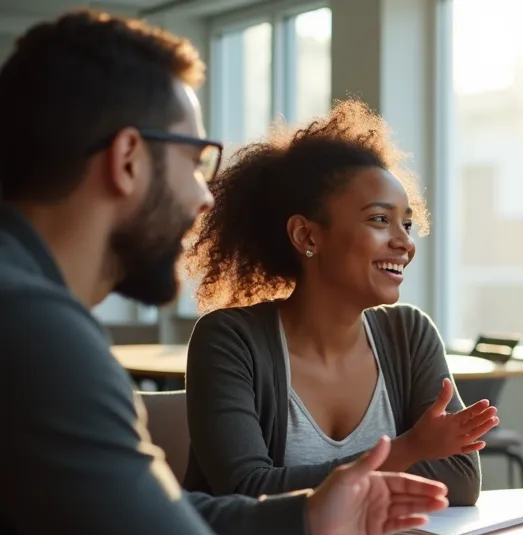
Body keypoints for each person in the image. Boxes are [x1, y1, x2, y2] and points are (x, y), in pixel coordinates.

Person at [0, 11, 523, 535]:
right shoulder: (36, 337)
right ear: (127, 159)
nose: (205, 197)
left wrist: (305, 520)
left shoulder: (30, 318)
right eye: (196, 160)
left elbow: (148, 519)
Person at [182, 99, 495, 502]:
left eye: (407, 223)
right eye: (380, 220)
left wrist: (309, 479)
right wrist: (408, 450)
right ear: (307, 236)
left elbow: (460, 479)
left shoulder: (409, 333)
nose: (404, 243)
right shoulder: (229, 340)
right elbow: (247, 490)